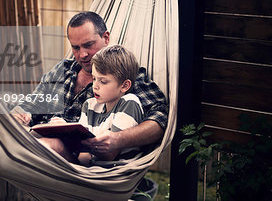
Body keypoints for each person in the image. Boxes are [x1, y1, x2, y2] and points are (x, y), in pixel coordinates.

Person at [12, 11, 168, 158]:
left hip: (79, 161)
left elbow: (161, 118)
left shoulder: (125, 75)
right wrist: (21, 113)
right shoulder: (63, 70)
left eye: (88, 45)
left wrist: (117, 139)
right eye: (75, 47)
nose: (83, 54)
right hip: (39, 146)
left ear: (106, 38)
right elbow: (32, 104)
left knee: (48, 146)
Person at [77, 45, 144, 165]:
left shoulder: (129, 103)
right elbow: (83, 153)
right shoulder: (89, 105)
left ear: (124, 86)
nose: (95, 86)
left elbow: (109, 154)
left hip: (115, 173)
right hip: (90, 170)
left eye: (103, 81)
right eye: (93, 79)